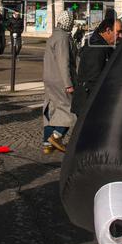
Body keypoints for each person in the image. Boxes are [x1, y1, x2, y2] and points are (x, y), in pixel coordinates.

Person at [72, 15, 122, 119]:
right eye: (118, 32)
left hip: (91, 103)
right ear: (108, 30)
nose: (121, 36)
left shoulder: (102, 46)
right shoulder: (96, 49)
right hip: (89, 104)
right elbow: (93, 80)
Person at [42, 11, 76, 154]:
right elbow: (64, 62)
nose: (73, 23)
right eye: (72, 21)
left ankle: (47, 142)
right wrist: (68, 84)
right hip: (60, 80)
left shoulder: (53, 36)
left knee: (53, 109)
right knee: (70, 110)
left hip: (50, 78)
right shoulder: (63, 38)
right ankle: (56, 136)